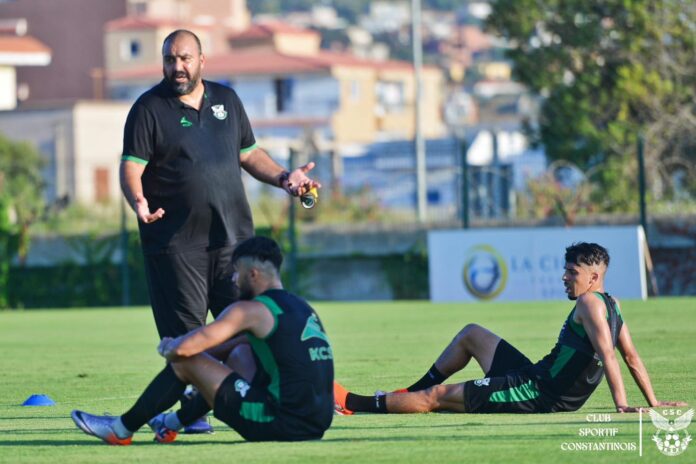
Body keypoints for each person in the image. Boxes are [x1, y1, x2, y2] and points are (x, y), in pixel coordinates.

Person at [119, 29, 319, 432]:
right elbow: (131, 167)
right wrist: (137, 201)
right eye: (171, 59)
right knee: (189, 338)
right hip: (176, 246)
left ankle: (281, 399)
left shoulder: (227, 100)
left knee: (250, 329)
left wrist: (284, 178)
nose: (178, 67)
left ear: (201, 60)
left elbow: (249, 154)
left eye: (186, 59)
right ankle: (192, 415)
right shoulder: (148, 108)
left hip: (233, 243)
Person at [334, 242, 686, 415]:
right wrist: (653, 403)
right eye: (565, 270)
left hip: (540, 394)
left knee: (438, 399)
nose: (564, 277)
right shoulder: (612, 303)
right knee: (472, 333)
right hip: (536, 376)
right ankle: (405, 392)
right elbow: (632, 355)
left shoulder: (589, 303)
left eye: (572, 272)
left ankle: (353, 403)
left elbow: (611, 355)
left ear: (593, 277)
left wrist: (622, 406)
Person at [71, 236, 335, 444]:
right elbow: (235, 346)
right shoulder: (300, 306)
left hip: (280, 423)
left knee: (187, 362)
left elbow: (185, 349)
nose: (233, 279)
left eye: (237, 272)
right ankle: (170, 424)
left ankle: (119, 429)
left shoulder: (251, 310)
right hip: (315, 423)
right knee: (239, 354)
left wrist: (170, 348)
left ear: (253, 274)